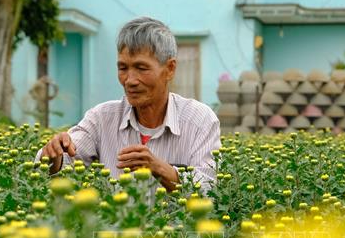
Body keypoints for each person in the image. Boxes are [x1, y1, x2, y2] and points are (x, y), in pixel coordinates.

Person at [37, 16, 221, 192]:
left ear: (170, 69)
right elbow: (57, 167)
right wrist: (54, 156)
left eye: (141, 68)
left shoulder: (200, 120)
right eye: (123, 68)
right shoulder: (101, 118)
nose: (130, 80)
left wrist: (160, 169)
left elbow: (208, 188)